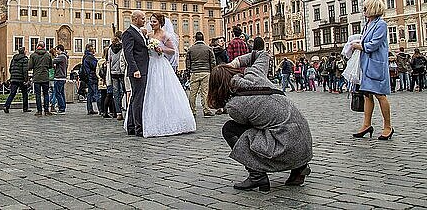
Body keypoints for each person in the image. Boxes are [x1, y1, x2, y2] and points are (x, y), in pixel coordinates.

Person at [208, 43, 313, 191]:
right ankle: (299, 167)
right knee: (275, 122)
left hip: (286, 147)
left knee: (230, 129)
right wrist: (236, 62)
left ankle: (256, 175)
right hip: (305, 143)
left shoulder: (234, 106)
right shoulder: (254, 74)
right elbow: (262, 54)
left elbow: (252, 128)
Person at [133, 13, 196, 137]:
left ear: (160, 23)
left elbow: (172, 51)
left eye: (154, 22)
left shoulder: (165, 35)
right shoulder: (148, 35)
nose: (151, 24)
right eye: (151, 21)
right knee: (150, 92)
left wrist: (162, 49)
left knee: (163, 91)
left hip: (160, 64)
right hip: (149, 64)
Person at [351, 0, 394, 140]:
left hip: (376, 65)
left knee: (380, 95)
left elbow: (374, 44)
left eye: (365, 8)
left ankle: (388, 126)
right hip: (366, 65)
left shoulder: (381, 24)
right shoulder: (368, 24)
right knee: (367, 95)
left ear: (373, 9)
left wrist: (360, 46)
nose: (363, 11)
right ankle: (366, 124)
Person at [122, 10, 150, 136]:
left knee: (135, 98)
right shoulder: (129, 33)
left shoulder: (139, 32)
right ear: (135, 19)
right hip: (138, 70)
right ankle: (138, 128)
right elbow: (128, 53)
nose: (144, 21)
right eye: (142, 18)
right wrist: (135, 69)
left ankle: (132, 126)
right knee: (138, 99)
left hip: (142, 68)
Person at [186, 31, 216, 117]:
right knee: (205, 92)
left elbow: (188, 62)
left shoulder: (190, 49)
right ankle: (206, 109)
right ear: (203, 39)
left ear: (195, 39)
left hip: (194, 72)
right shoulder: (208, 48)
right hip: (206, 72)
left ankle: (192, 110)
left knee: (193, 93)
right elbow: (212, 61)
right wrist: (212, 70)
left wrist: (188, 72)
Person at [28, 42, 54, 116]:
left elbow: (30, 66)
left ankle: (39, 111)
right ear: (44, 46)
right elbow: (51, 66)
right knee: (46, 94)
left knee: (38, 95)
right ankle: (46, 110)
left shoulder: (33, 55)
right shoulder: (48, 55)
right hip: (45, 77)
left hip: (36, 77)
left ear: (37, 46)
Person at [3, 46, 31, 113]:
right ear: (24, 52)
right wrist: (26, 80)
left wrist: (13, 75)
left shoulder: (13, 59)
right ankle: (25, 108)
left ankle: (6, 106)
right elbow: (25, 70)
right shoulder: (25, 59)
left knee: (12, 93)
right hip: (21, 79)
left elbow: (10, 68)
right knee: (25, 93)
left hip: (14, 78)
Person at [108, 31, 126, 121]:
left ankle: (118, 113)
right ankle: (124, 109)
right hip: (121, 72)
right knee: (124, 91)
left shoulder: (110, 48)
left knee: (116, 93)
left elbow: (109, 60)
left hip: (113, 72)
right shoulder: (123, 47)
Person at [82, 43, 100, 115]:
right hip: (92, 76)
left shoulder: (85, 56)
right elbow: (95, 66)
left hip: (88, 76)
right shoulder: (90, 57)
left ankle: (90, 109)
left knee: (90, 93)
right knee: (96, 93)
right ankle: (100, 109)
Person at [52, 44, 68, 114]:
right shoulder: (65, 56)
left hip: (59, 77)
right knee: (61, 93)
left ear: (59, 49)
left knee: (58, 93)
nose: (56, 52)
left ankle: (61, 108)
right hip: (62, 77)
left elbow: (52, 61)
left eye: (56, 50)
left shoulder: (61, 56)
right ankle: (63, 107)